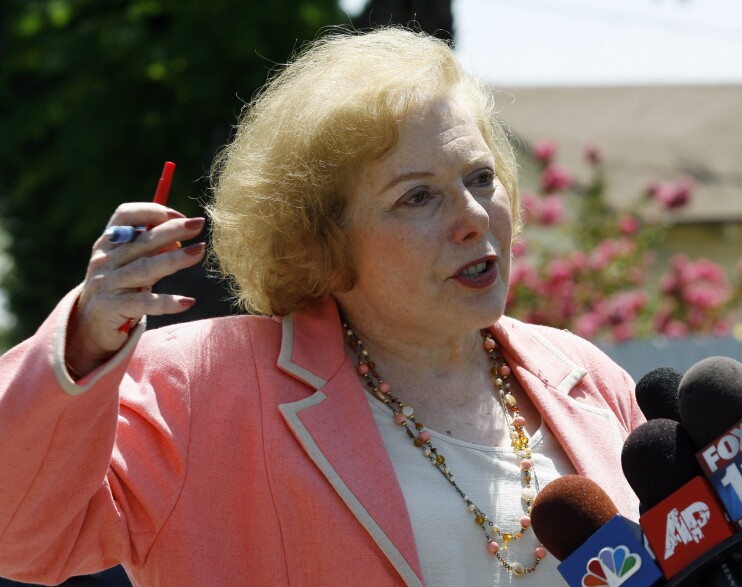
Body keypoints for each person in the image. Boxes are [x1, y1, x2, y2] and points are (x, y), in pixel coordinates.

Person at [0, 27, 644, 586]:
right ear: (322, 241)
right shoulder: (199, 387)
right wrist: (85, 338)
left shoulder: (585, 378)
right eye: (418, 197)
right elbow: (21, 535)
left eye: (480, 177)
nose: (474, 218)